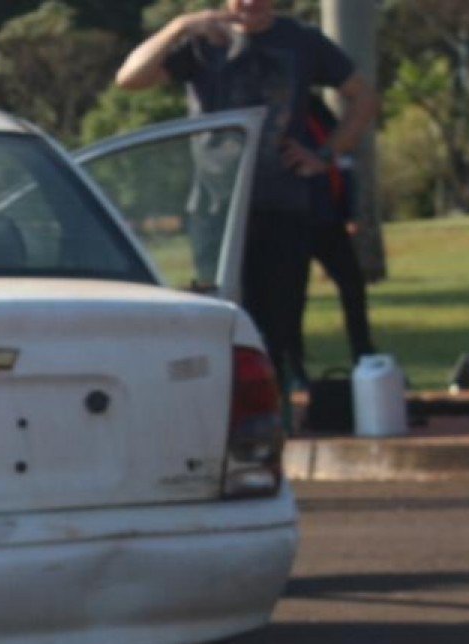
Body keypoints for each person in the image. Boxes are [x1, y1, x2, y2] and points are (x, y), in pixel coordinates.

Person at [116, 0, 378, 387]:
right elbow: (129, 78)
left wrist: (324, 155)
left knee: (282, 324)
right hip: (215, 207)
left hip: (285, 203)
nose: (251, 3)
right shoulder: (204, 41)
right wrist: (181, 26)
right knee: (223, 318)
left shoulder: (301, 41)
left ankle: (286, 412)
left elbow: (363, 96)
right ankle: (228, 415)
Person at [289, 94, 376, 387]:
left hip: (328, 218)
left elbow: (341, 160)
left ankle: (364, 354)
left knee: (353, 285)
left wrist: (348, 210)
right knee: (294, 296)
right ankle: (294, 366)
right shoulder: (276, 113)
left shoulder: (315, 108)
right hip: (291, 219)